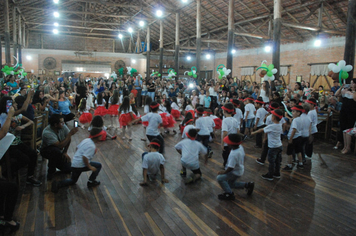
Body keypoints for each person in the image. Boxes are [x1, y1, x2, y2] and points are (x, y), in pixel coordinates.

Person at [0, 97, 41, 186]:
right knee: (24, 159)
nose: (15, 105)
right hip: (7, 144)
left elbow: (25, 113)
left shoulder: (15, 115)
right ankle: (7, 174)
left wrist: (23, 126)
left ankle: (29, 177)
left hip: (16, 141)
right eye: (13, 103)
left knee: (33, 154)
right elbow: (3, 133)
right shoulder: (3, 116)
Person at [51, 127, 103, 193]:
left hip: (75, 164)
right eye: (101, 135)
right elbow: (85, 157)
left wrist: (77, 157)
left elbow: (77, 148)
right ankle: (91, 181)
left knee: (73, 180)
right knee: (98, 165)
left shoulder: (86, 140)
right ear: (98, 136)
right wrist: (90, 167)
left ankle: (58, 183)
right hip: (80, 165)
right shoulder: (92, 146)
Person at [216, 134, 254, 200]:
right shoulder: (240, 147)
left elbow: (231, 167)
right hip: (239, 169)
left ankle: (229, 194)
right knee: (230, 184)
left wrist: (224, 172)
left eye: (228, 142)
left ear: (231, 144)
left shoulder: (234, 154)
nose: (227, 144)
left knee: (220, 178)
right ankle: (247, 185)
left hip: (234, 172)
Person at [41, 114, 79, 180]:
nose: (63, 123)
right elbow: (60, 145)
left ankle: (57, 163)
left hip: (59, 150)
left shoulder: (63, 127)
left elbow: (68, 139)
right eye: (61, 122)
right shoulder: (47, 132)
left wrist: (65, 152)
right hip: (47, 150)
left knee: (68, 169)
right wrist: (70, 134)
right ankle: (51, 171)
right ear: (55, 125)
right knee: (54, 151)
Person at [251, 109, 284, 180]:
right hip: (279, 145)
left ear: (274, 118)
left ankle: (270, 175)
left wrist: (253, 133)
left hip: (273, 146)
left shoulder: (272, 126)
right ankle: (277, 173)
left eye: (272, 115)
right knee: (277, 161)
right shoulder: (280, 125)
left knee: (271, 161)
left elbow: (262, 130)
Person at [282, 105, 304, 171]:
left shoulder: (295, 120)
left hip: (294, 138)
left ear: (298, 113)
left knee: (289, 152)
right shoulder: (300, 119)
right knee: (298, 151)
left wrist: (290, 139)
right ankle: (300, 163)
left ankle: (289, 165)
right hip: (299, 136)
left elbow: (294, 130)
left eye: (294, 111)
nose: (292, 112)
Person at [221, 103, 239, 167]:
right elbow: (238, 131)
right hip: (233, 141)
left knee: (225, 155)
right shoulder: (235, 120)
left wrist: (222, 143)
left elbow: (225, 132)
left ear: (224, 111)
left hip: (227, 142)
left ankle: (227, 167)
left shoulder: (225, 120)